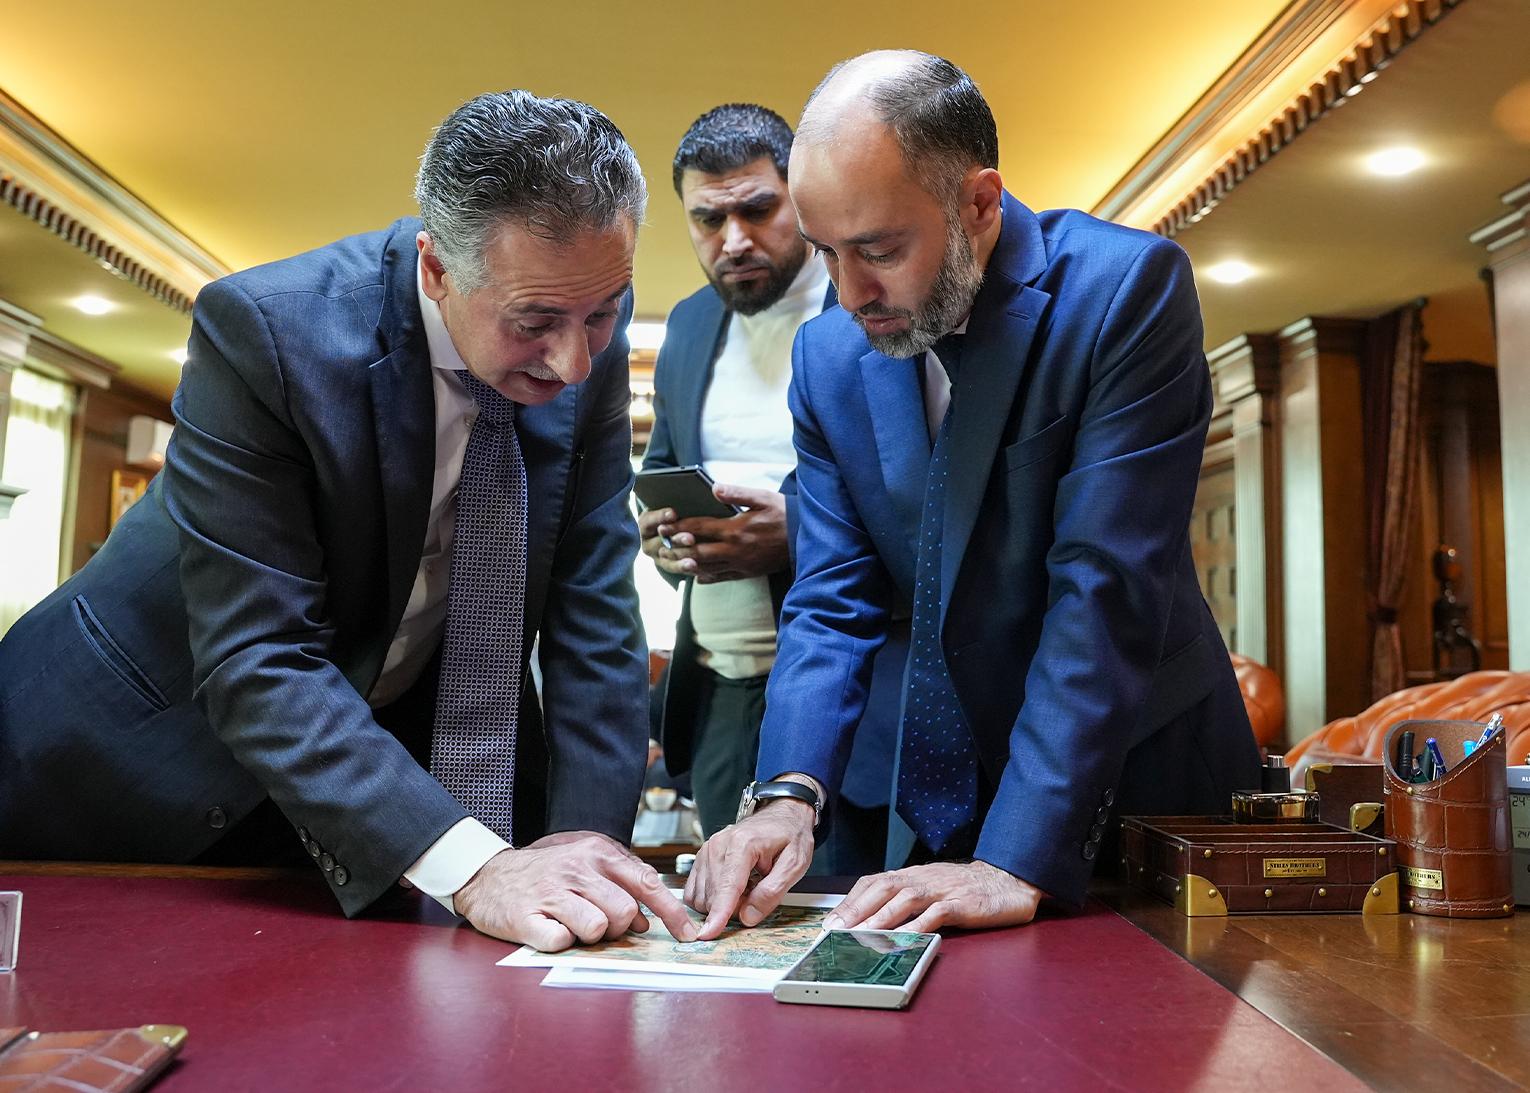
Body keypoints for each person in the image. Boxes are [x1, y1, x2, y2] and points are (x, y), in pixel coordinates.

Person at [0, 90, 694, 952]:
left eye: (602, 312)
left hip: (357, 786)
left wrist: (583, 847)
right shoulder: (269, 332)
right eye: (535, 322)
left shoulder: (584, 329)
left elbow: (594, 614)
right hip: (126, 758)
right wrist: (477, 868)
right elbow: (258, 654)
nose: (575, 360)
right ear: (436, 270)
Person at [685, 51, 1260, 938]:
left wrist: (1017, 856)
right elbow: (831, 600)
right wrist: (787, 795)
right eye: (827, 252)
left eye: (879, 250)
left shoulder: (1125, 292)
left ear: (980, 204)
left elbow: (1102, 590)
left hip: (1134, 794)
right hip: (936, 798)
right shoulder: (827, 355)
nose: (849, 294)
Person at [638, 104, 902, 872]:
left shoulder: (874, 307)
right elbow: (663, 464)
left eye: (757, 209)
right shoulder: (688, 325)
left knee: (847, 916)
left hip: (855, 692)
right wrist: (666, 539)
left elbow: (922, 498)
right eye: (708, 219)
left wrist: (796, 530)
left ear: (804, 198)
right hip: (719, 687)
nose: (733, 239)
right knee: (735, 916)